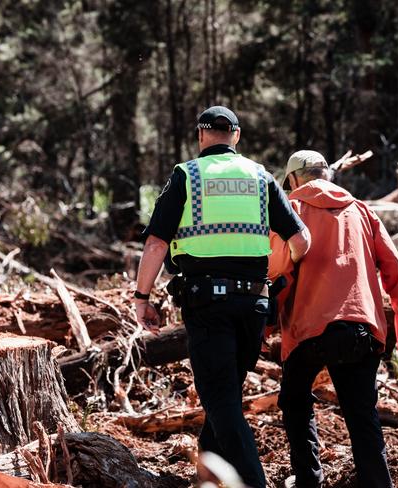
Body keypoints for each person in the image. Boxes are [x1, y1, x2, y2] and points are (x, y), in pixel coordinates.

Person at [133, 106, 311, 488]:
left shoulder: (187, 175)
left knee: (222, 402)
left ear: (201, 136)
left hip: (208, 304)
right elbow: (301, 241)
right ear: (237, 136)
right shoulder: (261, 176)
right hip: (254, 305)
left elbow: (155, 244)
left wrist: (141, 297)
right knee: (224, 397)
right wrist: (280, 276)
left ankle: (253, 483)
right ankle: (207, 478)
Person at [269, 150, 398, 488]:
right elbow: (396, 271)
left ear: (292, 181)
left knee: (294, 402)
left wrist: (264, 324)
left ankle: (309, 480)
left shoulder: (291, 210)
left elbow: (279, 272)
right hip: (360, 328)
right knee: (363, 417)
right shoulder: (362, 211)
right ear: (328, 176)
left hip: (308, 332)